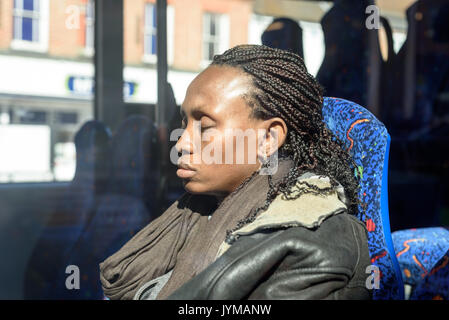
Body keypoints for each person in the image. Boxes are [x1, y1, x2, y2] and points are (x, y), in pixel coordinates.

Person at [99, 44, 372, 300]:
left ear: (267, 139)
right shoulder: (197, 213)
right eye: (184, 122)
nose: (181, 143)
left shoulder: (314, 245)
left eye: (205, 126)